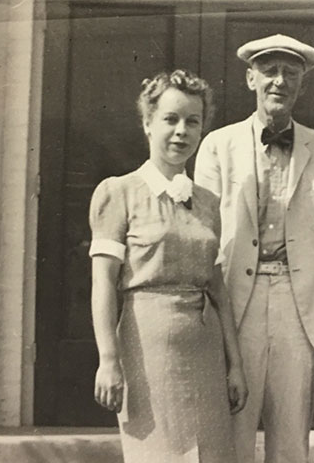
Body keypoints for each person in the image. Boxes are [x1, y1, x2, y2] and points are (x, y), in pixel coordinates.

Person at [194, 34, 314, 463]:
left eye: (290, 73)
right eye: (269, 71)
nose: (279, 81)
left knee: (292, 438)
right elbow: (203, 240)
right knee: (232, 432)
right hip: (234, 305)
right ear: (250, 79)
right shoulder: (218, 145)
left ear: (301, 85)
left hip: (300, 309)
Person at [89, 69, 247, 463]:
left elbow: (218, 289)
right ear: (147, 123)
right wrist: (108, 360)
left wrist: (235, 365)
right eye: (170, 119)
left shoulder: (209, 203)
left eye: (192, 121)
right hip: (147, 349)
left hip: (205, 351)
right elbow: (104, 283)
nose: (181, 131)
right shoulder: (119, 192)